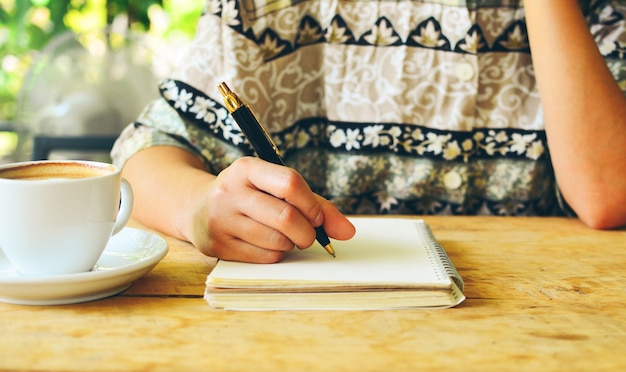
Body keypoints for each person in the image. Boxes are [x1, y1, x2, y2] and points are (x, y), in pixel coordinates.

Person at [112, 0, 626, 263]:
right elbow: (146, 153)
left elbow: (609, 192)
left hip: (541, 328)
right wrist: (197, 207)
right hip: (312, 334)